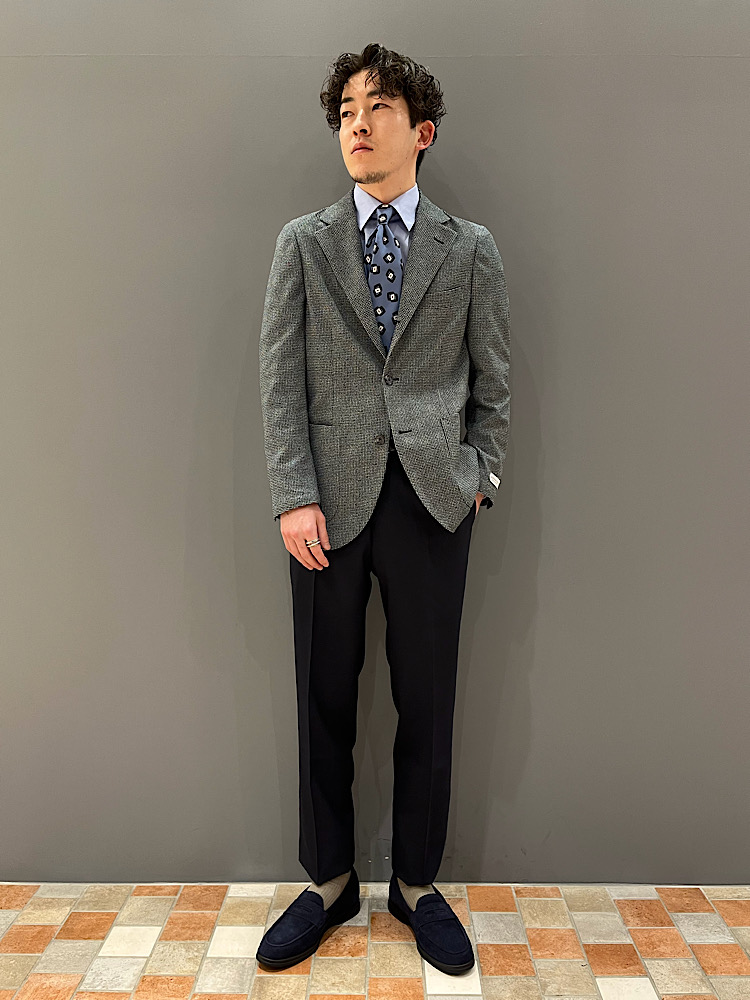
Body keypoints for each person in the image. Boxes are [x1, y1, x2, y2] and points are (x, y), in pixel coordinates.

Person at [257, 42, 511, 976]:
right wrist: (293, 494)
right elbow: (280, 379)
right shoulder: (304, 242)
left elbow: (494, 381)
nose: (358, 126)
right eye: (346, 114)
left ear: (421, 131)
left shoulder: (469, 248)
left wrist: (479, 475)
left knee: (427, 699)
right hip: (326, 504)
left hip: (436, 500)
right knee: (321, 692)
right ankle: (328, 882)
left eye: (379, 109)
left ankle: (416, 884)